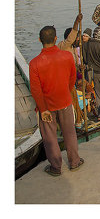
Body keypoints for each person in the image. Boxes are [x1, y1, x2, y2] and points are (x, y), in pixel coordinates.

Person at [29, 25, 84, 176]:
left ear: (40, 40)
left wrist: (42, 108)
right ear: (55, 39)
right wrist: (65, 91)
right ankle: (74, 161)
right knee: (69, 132)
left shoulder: (34, 63)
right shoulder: (66, 56)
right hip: (65, 101)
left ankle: (56, 167)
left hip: (46, 105)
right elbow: (72, 79)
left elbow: (35, 90)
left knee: (50, 137)